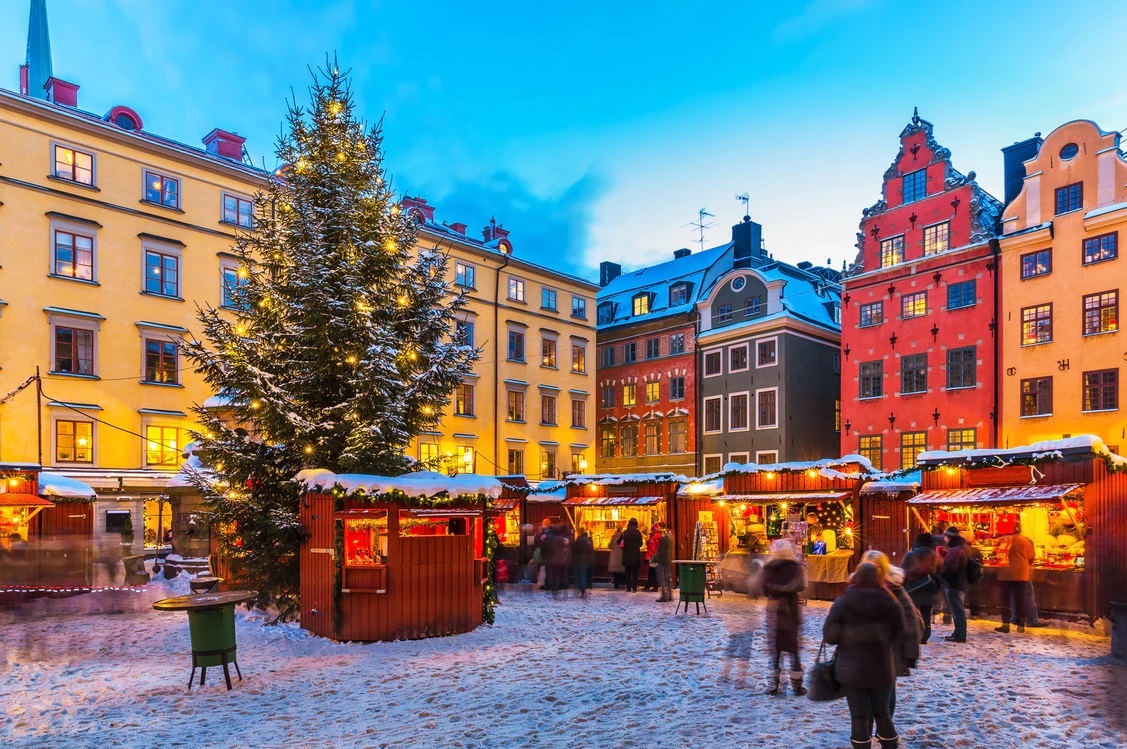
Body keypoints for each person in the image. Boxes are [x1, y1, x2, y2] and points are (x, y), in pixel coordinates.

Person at [823, 562, 905, 749]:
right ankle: (890, 745)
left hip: (851, 670)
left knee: (858, 716)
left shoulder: (843, 602)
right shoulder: (891, 602)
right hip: (882, 667)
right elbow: (899, 633)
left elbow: (830, 637)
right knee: (882, 712)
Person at [861, 550, 922, 719]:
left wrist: (910, 653)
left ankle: (885, 730)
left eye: (875, 567)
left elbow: (910, 622)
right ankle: (867, 732)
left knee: (886, 691)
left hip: (888, 650)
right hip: (864, 651)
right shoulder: (858, 588)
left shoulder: (894, 589)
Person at [761, 539, 807, 696]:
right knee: (793, 649)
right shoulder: (795, 567)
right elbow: (801, 585)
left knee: (775, 649)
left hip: (775, 609)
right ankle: (797, 685)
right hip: (791, 608)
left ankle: (774, 685)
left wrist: (776, 590)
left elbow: (764, 589)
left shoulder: (769, 567)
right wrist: (788, 589)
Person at [995, 522, 1036, 633]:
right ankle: (1021, 624)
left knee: (1005, 600)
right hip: (1022, 574)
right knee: (1020, 599)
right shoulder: (1026, 541)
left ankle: (1005, 624)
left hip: (1005, 574)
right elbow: (1031, 557)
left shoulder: (1003, 540)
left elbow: (997, 556)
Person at [901, 532, 941, 644]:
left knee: (912, 613)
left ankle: (914, 634)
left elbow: (902, 571)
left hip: (913, 587)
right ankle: (925, 635)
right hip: (929, 587)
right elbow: (940, 570)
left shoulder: (911, 554)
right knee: (926, 613)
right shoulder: (935, 555)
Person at [940, 527, 973, 643]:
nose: (944, 538)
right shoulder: (964, 547)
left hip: (955, 584)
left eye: (946, 536)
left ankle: (959, 635)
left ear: (950, 538)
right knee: (958, 610)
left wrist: (941, 576)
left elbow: (950, 568)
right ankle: (958, 633)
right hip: (962, 583)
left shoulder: (955, 551)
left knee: (957, 611)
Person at [620, 518, 644, 592]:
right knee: (635, 573)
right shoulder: (638, 533)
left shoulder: (624, 533)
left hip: (626, 555)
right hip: (635, 556)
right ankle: (634, 588)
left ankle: (628, 588)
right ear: (636, 524)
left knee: (627, 572)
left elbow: (618, 542)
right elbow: (641, 544)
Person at [572, 528, 595, 598]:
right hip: (587, 559)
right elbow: (591, 549)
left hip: (579, 559)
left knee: (579, 574)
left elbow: (574, 549)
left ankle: (581, 588)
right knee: (584, 574)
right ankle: (584, 587)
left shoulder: (579, 540)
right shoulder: (589, 540)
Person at [655, 523, 674, 602]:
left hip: (662, 560)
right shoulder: (670, 538)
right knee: (668, 577)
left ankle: (664, 595)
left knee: (662, 578)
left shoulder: (663, 539)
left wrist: (654, 557)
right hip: (668, 559)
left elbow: (661, 551)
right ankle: (670, 595)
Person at [643, 524, 661, 592]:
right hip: (655, 556)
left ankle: (653, 586)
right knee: (652, 572)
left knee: (651, 572)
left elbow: (652, 549)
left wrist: (648, 557)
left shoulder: (653, 538)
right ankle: (649, 586)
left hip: (651, 556)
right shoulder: (659, 537)